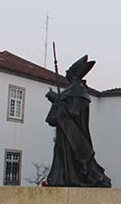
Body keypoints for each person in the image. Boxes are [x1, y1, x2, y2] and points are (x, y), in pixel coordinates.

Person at [45, 55, 111, 187]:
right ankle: (61, 179)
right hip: (64, 134)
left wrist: (56, 99)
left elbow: (74, 112)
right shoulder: (71, 89)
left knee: (75, 160)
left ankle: (79, 179)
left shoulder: (78, 89)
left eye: (69, 69)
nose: (66, 72)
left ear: (74, 74)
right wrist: (57, 100)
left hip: (73, 136)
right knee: (62, 158)